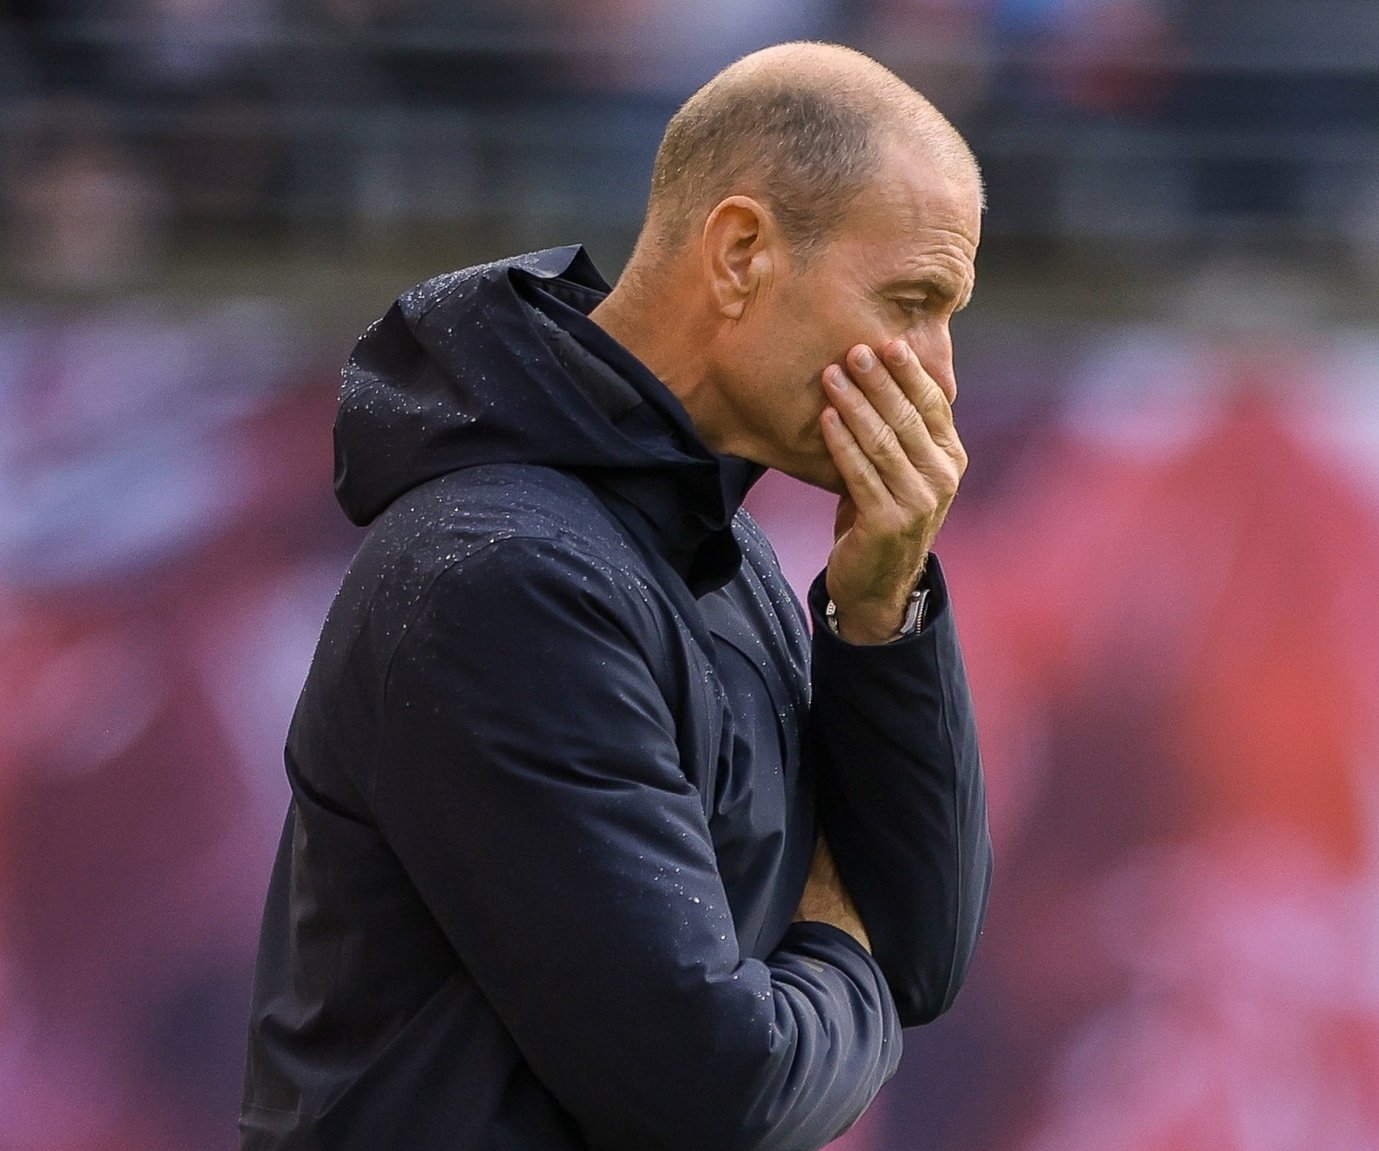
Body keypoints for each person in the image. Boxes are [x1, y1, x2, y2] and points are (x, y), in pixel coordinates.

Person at [239, 42, 992, 1150]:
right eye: (912, 301)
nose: (939, 374)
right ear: (739, 253)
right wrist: (840, 941)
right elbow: (714, 1091)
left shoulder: (716, 551)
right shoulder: (505, 575)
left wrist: (879, 618)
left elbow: (920, 956)